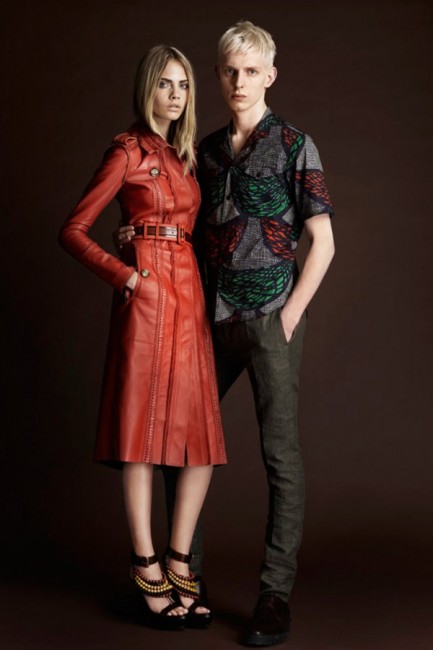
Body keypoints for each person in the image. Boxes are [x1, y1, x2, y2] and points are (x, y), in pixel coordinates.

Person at [116, 20, 335, 647]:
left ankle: (273, 596)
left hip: (271, 317)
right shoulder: (203, 151)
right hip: (205, 321)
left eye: (251, 72)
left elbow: (323, 241)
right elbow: (173, 222)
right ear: (218, 75)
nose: (239, 82)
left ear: (270, 76)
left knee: (280, 457)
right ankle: (185, 572)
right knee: (181, 447)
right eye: (230, 71)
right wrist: (131, 237)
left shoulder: (295, 144)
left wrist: (289, 316)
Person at [59, 44, 227, 632]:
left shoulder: (185, 157)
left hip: (190, 295)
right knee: (142, 436)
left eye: (184, 85)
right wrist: (127, 274)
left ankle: (180, 561)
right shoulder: (127, 151)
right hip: (149, 298)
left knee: (200, 437)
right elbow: (73, 229)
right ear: (146, 88)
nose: (175, 95)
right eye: (165, 84)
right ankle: (146, 564)